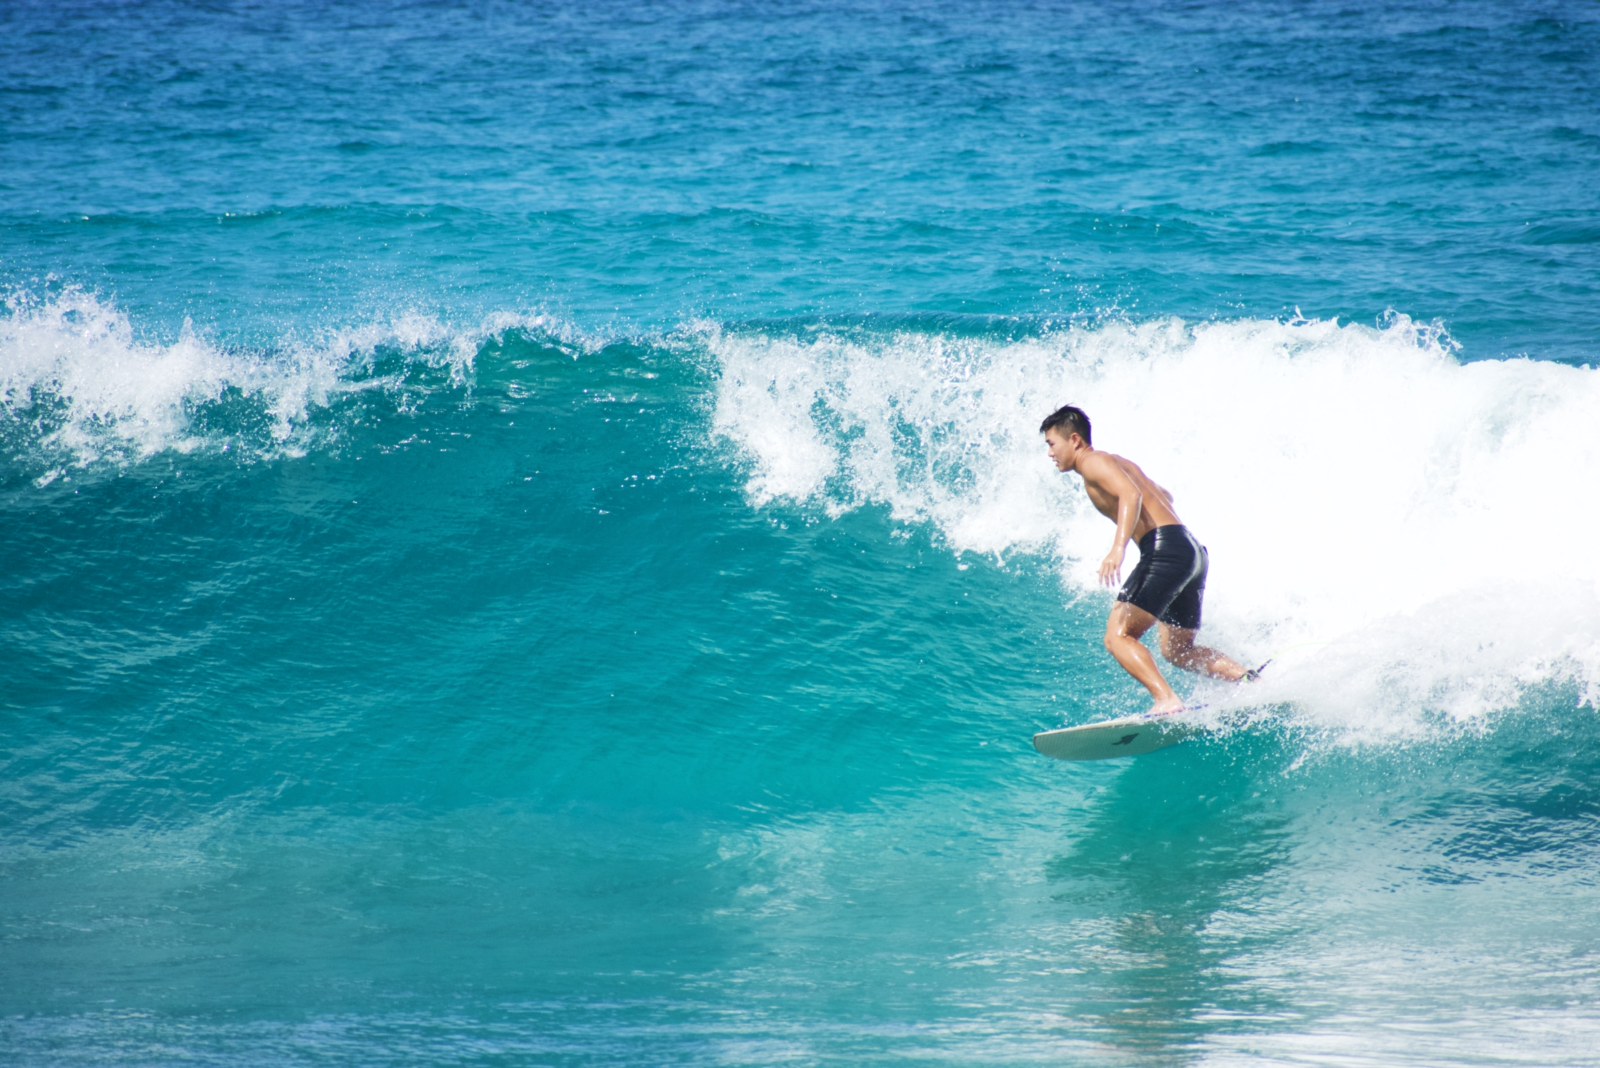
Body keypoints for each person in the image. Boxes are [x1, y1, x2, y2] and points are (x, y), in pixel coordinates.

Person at [1040, 404, 1259, 715]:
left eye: (1052, 444)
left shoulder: (1092, 462)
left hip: (1165, 549)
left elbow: (1131, 495)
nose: (1050, 453)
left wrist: (1118, 548)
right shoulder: (1120, 462)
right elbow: (1164, 495)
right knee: (1178, 650)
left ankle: (1166, 699)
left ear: (1074, 440)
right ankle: (1247, 679)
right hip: (1191, 551)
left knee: (1118, 637)